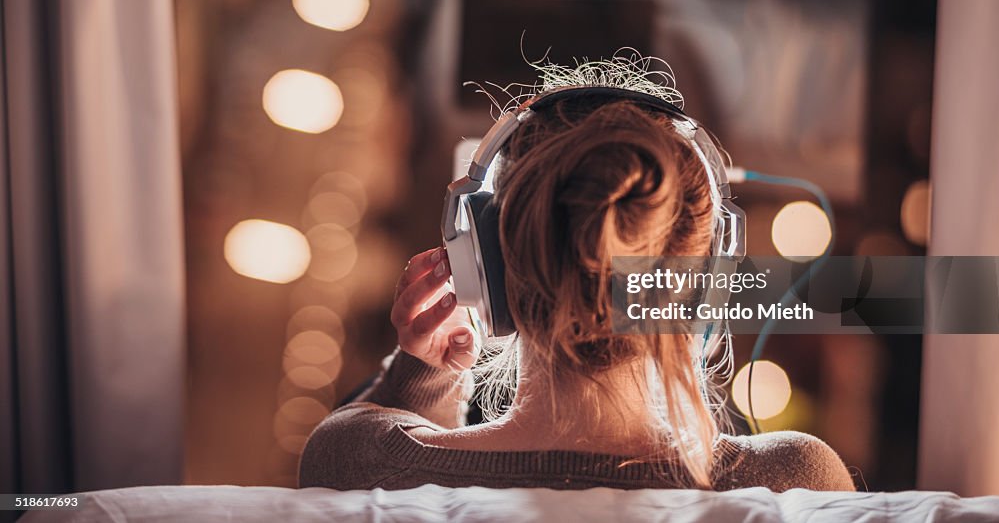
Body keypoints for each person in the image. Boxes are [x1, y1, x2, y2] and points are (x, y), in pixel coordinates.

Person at [299, 61, 856, 491]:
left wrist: (422, 377)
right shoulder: (793, 481)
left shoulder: (356, 459)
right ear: (704, 285)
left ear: (485, 268)